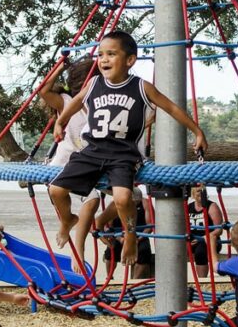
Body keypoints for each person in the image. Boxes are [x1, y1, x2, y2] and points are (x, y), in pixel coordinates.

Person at [49, 29, 208, 267]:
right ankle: (67, 220)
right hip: (93, 150)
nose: (104, 59)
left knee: (123, 198)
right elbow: (76, 101)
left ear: (130, 60)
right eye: (101, 54)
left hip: (123, 154)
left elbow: (171, 108)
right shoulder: (94, 84)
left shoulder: (141, 87)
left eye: (111, 54)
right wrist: (60, 121)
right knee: (56, 190)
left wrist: (197, 131)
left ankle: (130, 234)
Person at [40, 55, 101, 273]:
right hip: (65, 159)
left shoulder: (101, 105)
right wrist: (60, 67)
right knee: (56, 189)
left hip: (88, 162)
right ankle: (67, 221)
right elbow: (44, 91)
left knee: (94, 200)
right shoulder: (65, 102)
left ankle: (80, 245)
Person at [95, 188, 153, 279]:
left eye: (136, 203)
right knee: (111, 249)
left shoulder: (145, 203)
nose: (134, 205)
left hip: (139, 235)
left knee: (144, 251)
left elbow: (149, 225)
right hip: (119, 235)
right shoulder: (115, 204)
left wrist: (136, 239)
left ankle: (134, 280)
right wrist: (120, 239)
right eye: (132, 203)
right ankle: (109, 277)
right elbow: (108, 226)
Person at [187, 184, 224, 278]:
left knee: (200, 251)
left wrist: (203, 238)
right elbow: (183, 227)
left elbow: (219, 229)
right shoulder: (188, 207)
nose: (201, 193)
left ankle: (201, 279)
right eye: (198, 191)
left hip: (209, 240)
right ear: (193, 194)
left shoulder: (212, 206)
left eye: (203, 191)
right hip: (192, 239)